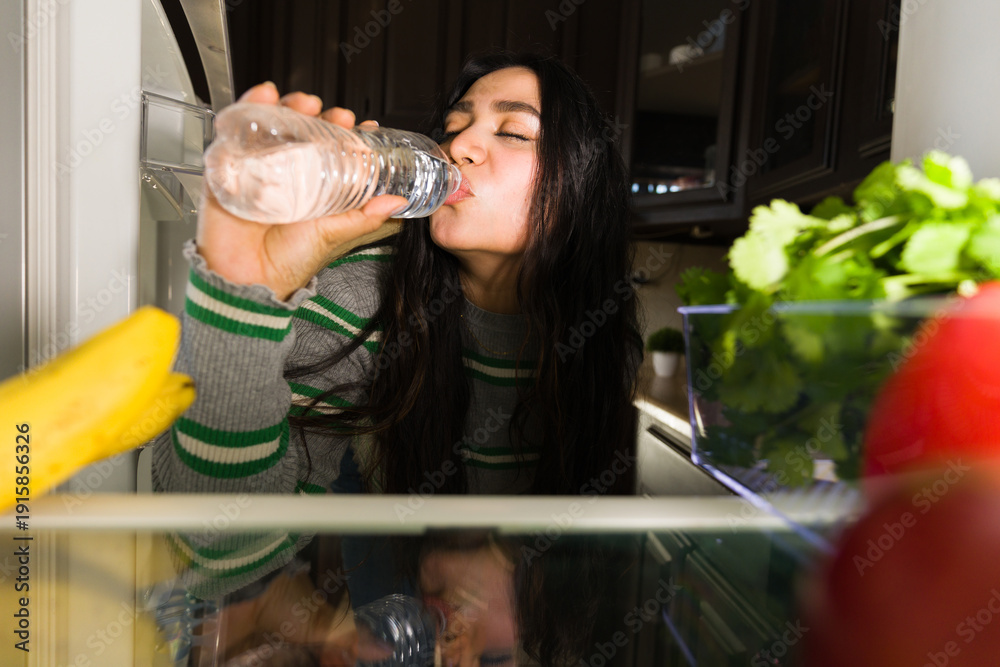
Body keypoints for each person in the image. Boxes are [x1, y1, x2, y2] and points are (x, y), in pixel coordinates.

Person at [151, 50, 641, 664]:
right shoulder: (364, 293)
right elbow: (217, 545)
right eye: (456, 125)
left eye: (513, 131)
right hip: (391, 573)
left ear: (580, 182)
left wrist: (513, 565)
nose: (459, 146)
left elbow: (595, 522)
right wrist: (243, 299)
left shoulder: (601, 328)